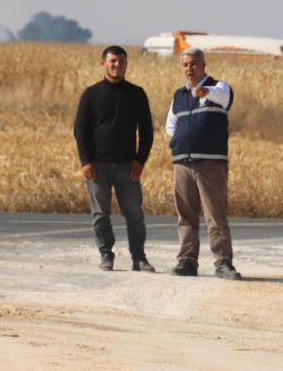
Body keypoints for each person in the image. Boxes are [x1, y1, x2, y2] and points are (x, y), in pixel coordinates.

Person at [73, 45, 155, 272]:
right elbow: (80, 130)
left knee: (135, 213)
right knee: (100, 214)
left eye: (121, 62)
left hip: (127, 166)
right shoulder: (91, 94)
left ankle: (139, 258)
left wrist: (140, 161)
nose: (117, 65)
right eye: (113, 61)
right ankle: (106, 254)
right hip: (98, 166)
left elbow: (146, 131)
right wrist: (85, 161)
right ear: (103, 64)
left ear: (126, 64)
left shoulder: (136, 94)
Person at [165, 48, 241, 280]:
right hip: (182, 163)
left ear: (204, 65)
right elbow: (170, 126)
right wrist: (182, 140)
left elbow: (221, 96)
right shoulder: (179, 96)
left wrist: (205, 91)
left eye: (194, 64)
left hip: (210, 163)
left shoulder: (220, 87)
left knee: (214, 215)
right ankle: (187, 261)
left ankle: (223, 262)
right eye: (185, 65)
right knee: (185, 215)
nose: (190, 69)